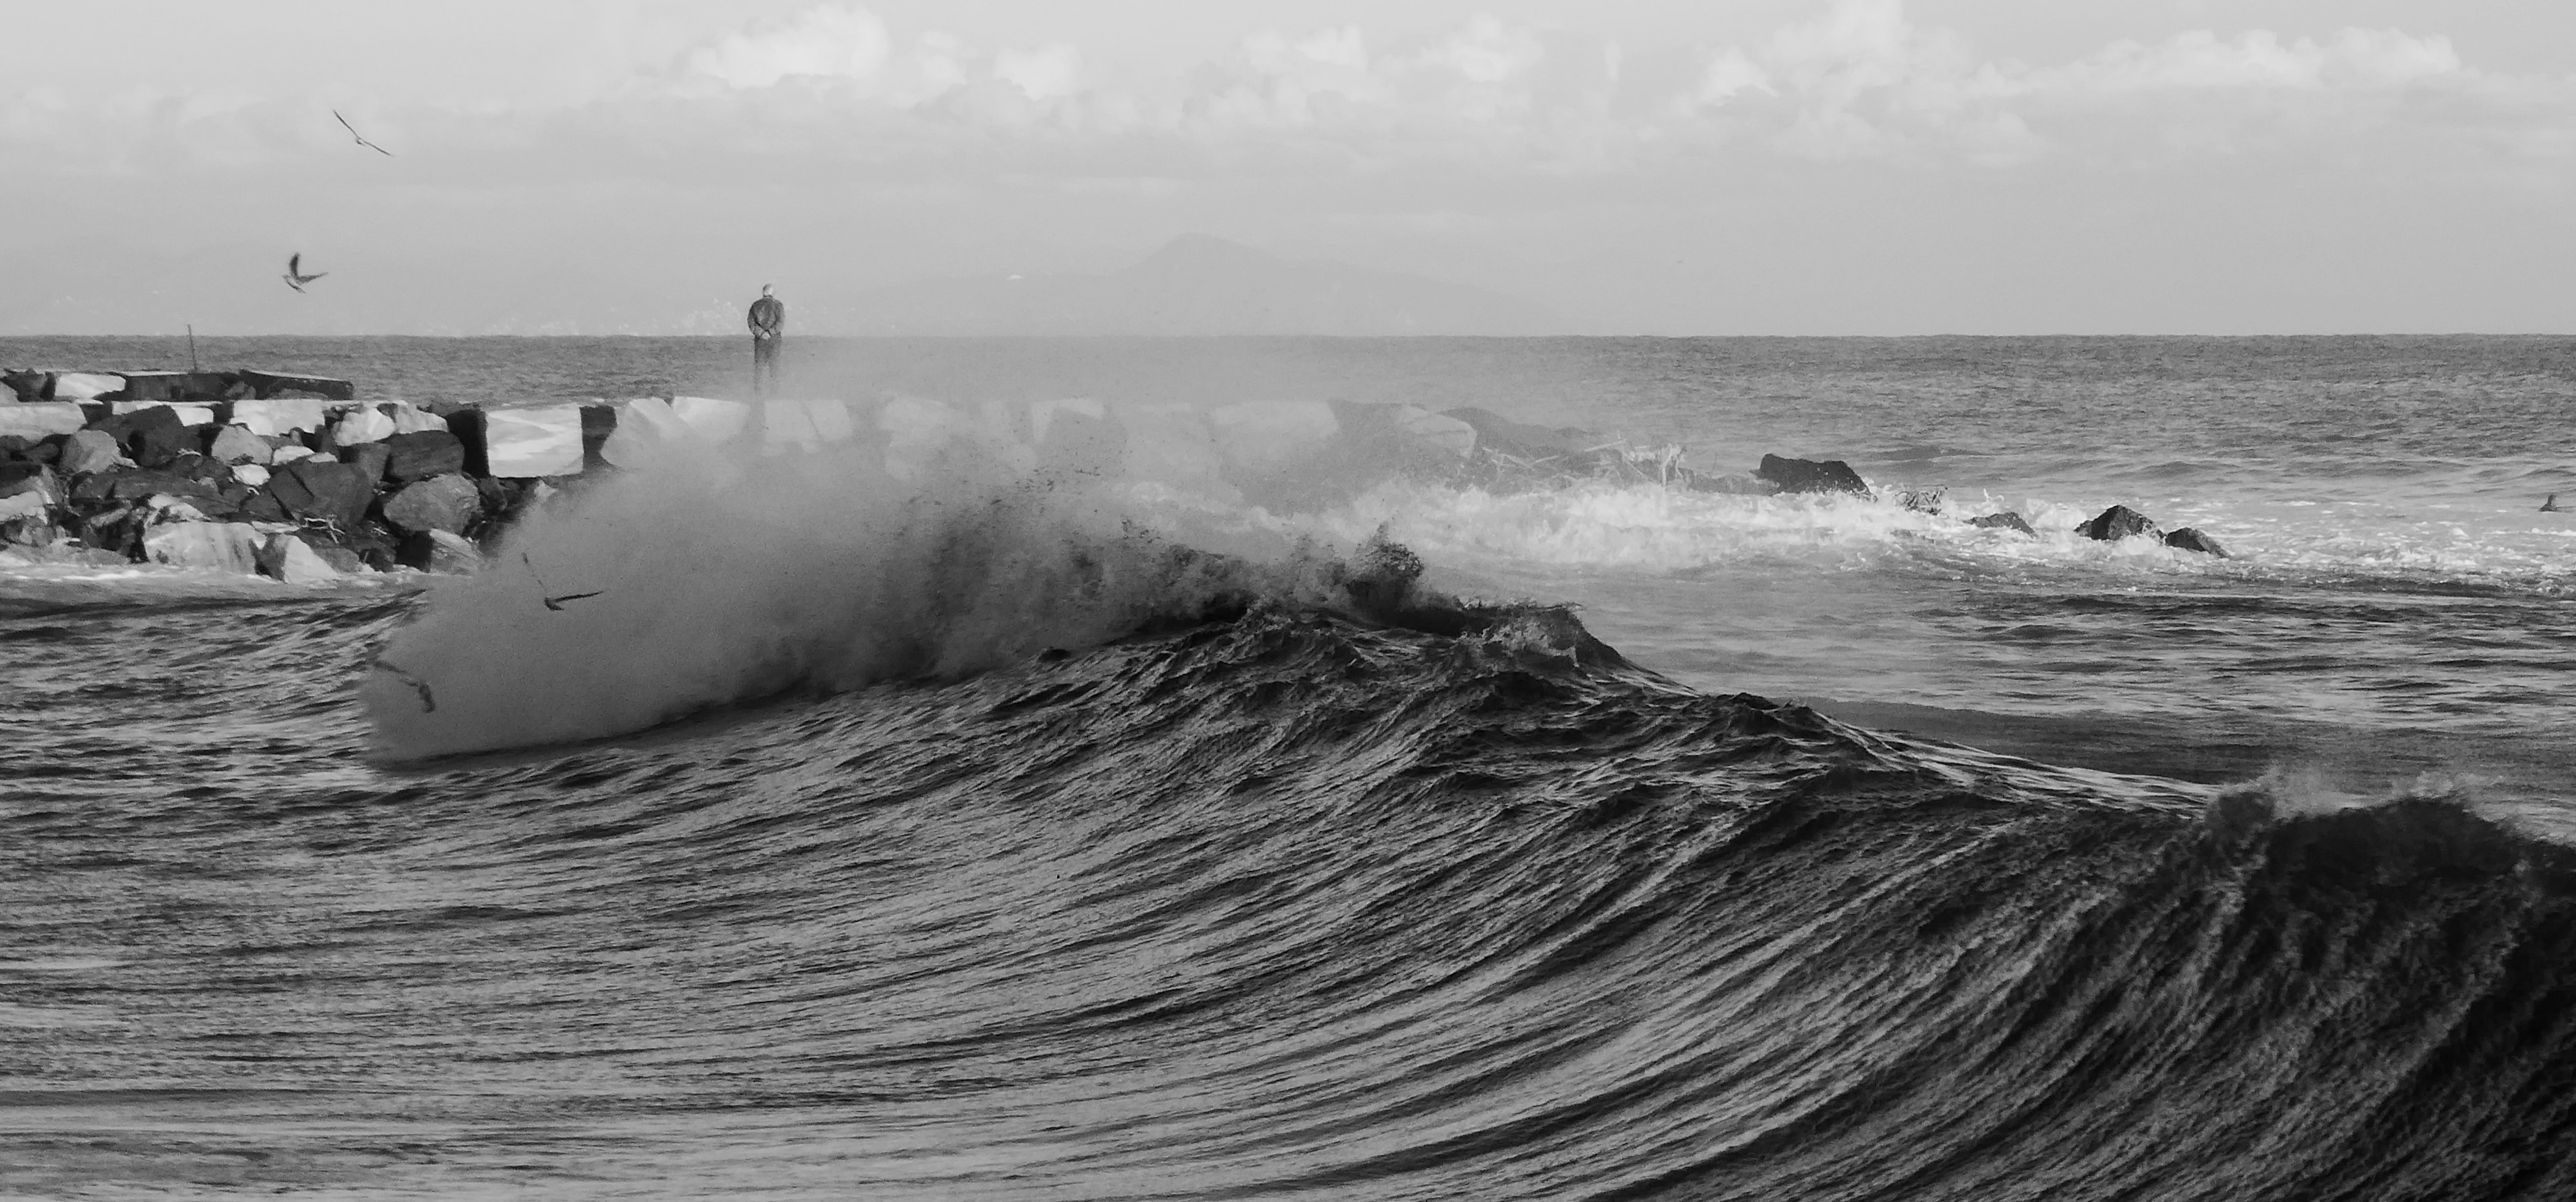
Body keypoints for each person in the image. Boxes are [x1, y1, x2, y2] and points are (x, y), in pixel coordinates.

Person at [747, 284, 786, 396]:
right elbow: (781, 323)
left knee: (759, 368)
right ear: (772, 293)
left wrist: (761, 333)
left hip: (760, 340)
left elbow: (751, 323)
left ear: (763, 292)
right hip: (774, 339)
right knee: (774, 367)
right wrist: (771, 332)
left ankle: (758, 393)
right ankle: (775, 393)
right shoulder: (778, 305)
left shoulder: (755, 305)